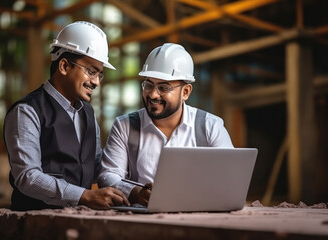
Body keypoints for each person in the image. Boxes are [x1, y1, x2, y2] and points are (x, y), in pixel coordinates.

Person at [3, 21, 129, 211]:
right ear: (63, 66)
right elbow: (28, 177)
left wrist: (133, 189)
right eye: (91, 71)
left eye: (99, 74)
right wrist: (84, 195)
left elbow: (97, 169)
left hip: (77, 219)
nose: (96, 82)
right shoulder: (27, 110)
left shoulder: (87, 113)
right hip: (33, 222)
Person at [97, 43, 234, 206]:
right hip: (143, 218)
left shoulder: (211, 127)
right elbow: (108, 176)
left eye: (163, 87)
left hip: (199, 217)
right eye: (148, 85)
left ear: (186, 92)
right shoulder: (125, 126)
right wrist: (136, 193)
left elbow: (229, 179)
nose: (153, 94)